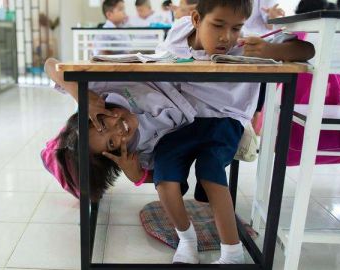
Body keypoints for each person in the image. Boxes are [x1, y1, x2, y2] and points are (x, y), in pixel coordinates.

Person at [42, 0, 315, 264]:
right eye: (113, 141)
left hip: (220, 115)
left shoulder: (102, 94)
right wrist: (132, 171)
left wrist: (79, 91)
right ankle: (187, 241)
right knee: (171, 176)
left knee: (209, 168)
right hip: (193, 123)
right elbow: (149, 171)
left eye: (104, 122)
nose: (118, 126)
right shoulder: (141, 145)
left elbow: (50, 64)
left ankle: (231, 252)